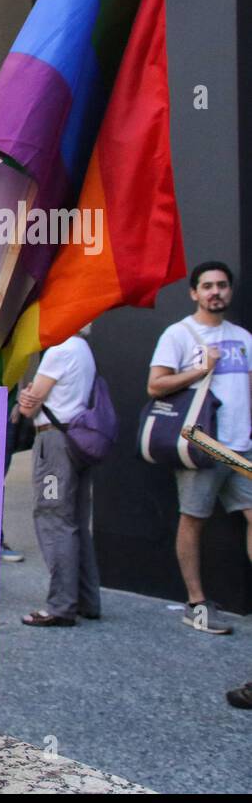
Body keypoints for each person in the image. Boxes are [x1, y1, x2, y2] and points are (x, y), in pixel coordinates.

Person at [147, 260, 252, 635]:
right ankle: (196, 604)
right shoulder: (179, 334)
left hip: (242, 448)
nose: (215, 292)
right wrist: (201, 369)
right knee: (193, 519)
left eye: (222, 285)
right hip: (204, 444)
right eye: (207, 286)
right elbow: (155, 386)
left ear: (230, 290)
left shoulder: (243, 337)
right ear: (194, 293)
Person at [16, 327, 101, 626]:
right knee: (76, 521)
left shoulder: (59, 350)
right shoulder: (84, 350)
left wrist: (27, 397)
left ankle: (60, 606)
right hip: (78, 443)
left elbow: (29, 406)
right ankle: (87, 600)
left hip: (54, 446)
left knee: (54, 520)